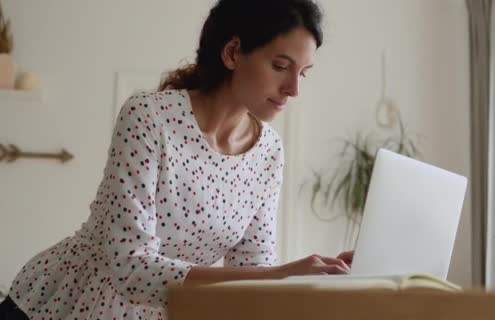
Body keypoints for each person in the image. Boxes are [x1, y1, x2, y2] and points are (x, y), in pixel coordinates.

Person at [0, 0, 354, 319]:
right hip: (63, 306)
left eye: (303, 72)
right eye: (281, 66)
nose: (294, 89)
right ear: (232, 52)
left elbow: (252, 273)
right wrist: (280, 274)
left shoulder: (269, 152)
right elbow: (130, 268)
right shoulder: (149, 117)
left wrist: (316, 279)